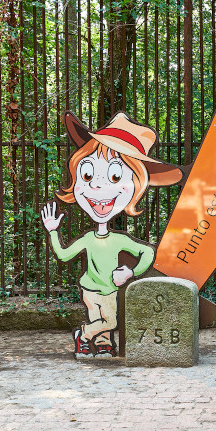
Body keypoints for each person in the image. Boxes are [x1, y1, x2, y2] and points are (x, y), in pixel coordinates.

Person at [41, 112, 183, 358]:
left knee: (108, 322)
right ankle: (86, 336)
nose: (97, 186)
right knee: (104, 320)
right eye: (87, 175)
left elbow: (147, 251)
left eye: (116, 176)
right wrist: (53, 231)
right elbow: (64, 255)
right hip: (90, 289)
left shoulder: (119, 240)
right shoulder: (87, 239)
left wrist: (131, 271)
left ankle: (99, 342)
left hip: (109, 290)